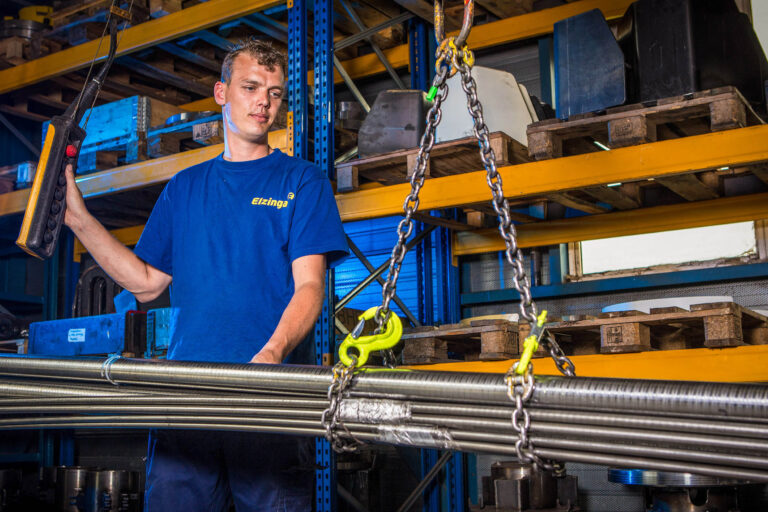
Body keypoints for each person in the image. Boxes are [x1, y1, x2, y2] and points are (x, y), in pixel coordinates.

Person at [63, 38, 349, 511]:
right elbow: (146, 281)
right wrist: (79, 220)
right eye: (251, 87)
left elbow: (310, 286)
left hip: (264, 395)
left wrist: (271, 353)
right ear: (221, 93)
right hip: (186, 398)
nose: (264, 102)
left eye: (275, 93)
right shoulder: (184, 187)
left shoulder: (302, 181)